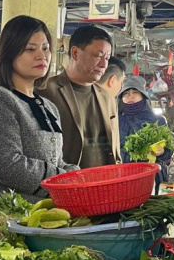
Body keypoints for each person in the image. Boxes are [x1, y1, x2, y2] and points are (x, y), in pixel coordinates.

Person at [0, 15, 77, 203]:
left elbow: (57, 161)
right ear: (9, 53)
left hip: (47, 212)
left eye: (45, 48)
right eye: (30, 49)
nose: (41, 55)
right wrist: (63, 179)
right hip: (10, 213)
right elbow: (10, 167)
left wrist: (74, 174)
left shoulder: (49, 107)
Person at [38, 25, 120, 168]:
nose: (103, 64)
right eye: (98, 56)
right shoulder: (46, 92)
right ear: (75, 52)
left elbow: (114, 150)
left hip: (103, 185)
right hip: (66, 183)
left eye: (107, 58)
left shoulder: (107, 98)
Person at [118, 75, 171, 187]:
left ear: (143, 95)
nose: (130, 96)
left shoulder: (158, 120)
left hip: (151, 176)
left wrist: (162, 152)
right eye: (126, 93)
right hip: (122, 177)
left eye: (135, 92)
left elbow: (169, 148)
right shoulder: (115, 121)